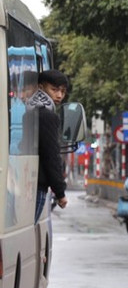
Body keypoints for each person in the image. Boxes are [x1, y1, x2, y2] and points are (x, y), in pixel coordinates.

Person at [32, 71, 69, 218]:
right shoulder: (48, 116)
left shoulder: (29, 111)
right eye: (54, 90)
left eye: (63, 91)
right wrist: (60, 193)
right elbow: (51, 156)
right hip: (38, 187)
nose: (59, 95)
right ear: (40, 87)